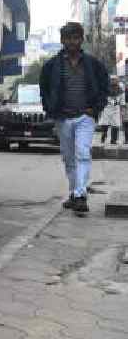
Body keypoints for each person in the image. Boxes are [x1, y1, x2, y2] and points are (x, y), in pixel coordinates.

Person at [39, 22, 109, 214]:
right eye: (68, 38)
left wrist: (95, 109)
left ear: (81, 39)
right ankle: (74, 193)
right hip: (63, 118)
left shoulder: (93, 65)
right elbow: (44, 90)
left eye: (76, 37)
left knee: (83, 154)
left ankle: (80, 195)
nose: (72, 41)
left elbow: (104, 88)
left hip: (85, 117)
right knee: (69, 159)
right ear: (62, 40)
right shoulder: (51, 66)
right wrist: (50, 110)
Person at [99, 78, 124, 144]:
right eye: (112, 80)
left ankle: (113, 140)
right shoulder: (106, 89)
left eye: (115, 80)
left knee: (115, 124)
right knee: (105, 123)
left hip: (116, 109)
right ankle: (103, 136)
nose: (114, 81)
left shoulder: (120, 90)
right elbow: (102, 98)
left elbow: (122, 101)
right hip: (107, 108)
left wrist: (122, 109)